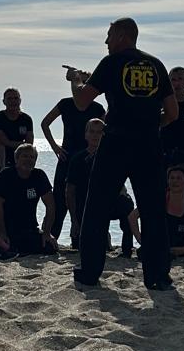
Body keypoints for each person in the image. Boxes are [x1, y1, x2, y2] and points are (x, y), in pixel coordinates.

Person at [68, 18, 177, 291]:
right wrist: (151, 125)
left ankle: (90, 272)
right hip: (149, 144)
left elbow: (81, 101)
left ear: (121, 35)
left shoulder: (111, 62)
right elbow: (173, 113)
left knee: (96, 208)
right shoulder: (156, 64)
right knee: (153, 211)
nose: (106, 41)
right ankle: (158, 276)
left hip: (116, 142)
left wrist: (77, 80)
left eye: (109, 35)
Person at [41, 74, 106, 239]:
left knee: (86, 197)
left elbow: (106, 131)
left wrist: (100, 152)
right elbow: (45, 123)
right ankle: (51, 236)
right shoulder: (65, 104)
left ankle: (83, 236)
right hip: (67, 156)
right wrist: (55, 146)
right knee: (60, 198)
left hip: (89, 157)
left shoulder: (97, 108)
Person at [65, 118, 138, 256]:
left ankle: (127, 249)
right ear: (86, 134)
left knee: (127, 204)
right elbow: (70, 191)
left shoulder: (114, 157)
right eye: (92, 132)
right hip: (86, 205)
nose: (95, 135)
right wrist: (74, 220)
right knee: (83, 247)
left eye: (99, 132)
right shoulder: (77, 159)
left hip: (109, 201)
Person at [0, 144, 58, 258]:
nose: (28, 160)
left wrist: (47, 232)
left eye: (32, 157)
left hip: (30, 228)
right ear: (16, 159)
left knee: (50, 247)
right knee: (5, 248)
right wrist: (2, 233)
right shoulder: (6, 175)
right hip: (8, 228)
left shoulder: (39, 175)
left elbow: (50, 205)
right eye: (25, 156)